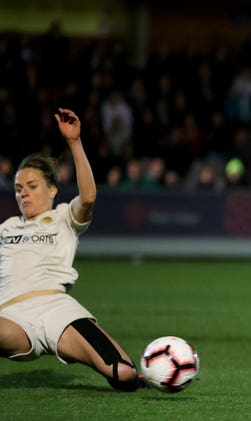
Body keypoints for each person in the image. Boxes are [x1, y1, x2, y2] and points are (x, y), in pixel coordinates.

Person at [0, 108, 140, 391]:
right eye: (17, 188)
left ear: (52, 190)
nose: (23, 193)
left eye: (31, 185)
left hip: (56, 311)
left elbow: (88, 197)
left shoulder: (63, 217)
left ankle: (147, 374)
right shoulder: (6, 227)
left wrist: (75, 143)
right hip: (9, 317)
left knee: (123, 374)